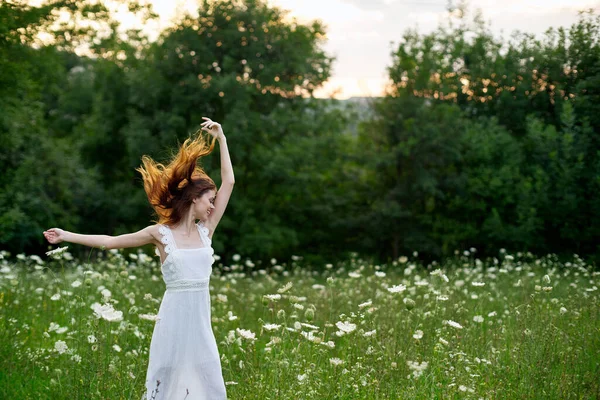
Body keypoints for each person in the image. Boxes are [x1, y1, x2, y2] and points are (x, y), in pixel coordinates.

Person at [43, 117, 234, 400]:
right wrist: (67, 235)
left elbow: (229, 180)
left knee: (208, 381)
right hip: (172, 320)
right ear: (194, 199)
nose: (213, 205)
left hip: (201, 324)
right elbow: (110, 242)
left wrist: (222, 139)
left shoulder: (207, 231)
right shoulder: (159, 234)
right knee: (166, 379)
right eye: (210, 199)